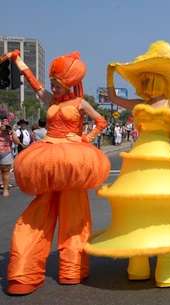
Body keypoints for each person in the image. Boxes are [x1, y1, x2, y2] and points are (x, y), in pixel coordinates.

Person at [83, 40, 170, 288]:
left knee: (164, 208)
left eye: (146, 80)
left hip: (162, 158)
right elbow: (111, 97)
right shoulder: (138, 104)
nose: (143, 85)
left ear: (157, 81)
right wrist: (110, 74)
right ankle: (138, 260)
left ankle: (166, 261)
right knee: (137, 208)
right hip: (139, 159)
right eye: (141, 81)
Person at [2, 49, 110, 295]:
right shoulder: (51, 99)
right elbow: (35, 83)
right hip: (48, 159)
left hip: (73, 161)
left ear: (70, 83)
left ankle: (72, 268)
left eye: (58, 84)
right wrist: (18, 61)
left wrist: (84, 138)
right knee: (36, 215)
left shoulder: (80, 103)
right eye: (53, 83)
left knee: (75, 215)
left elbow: (101, 122)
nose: (54, 87)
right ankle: (24, 270)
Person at [0, 111, 21, 197]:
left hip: (7, 152)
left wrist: (12, 132)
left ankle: (5, 189)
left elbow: (16, 142)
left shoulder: (11, 131)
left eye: (7, 125)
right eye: (4, 125)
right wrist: (1, 131)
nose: (6, 127)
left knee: (6, 171)